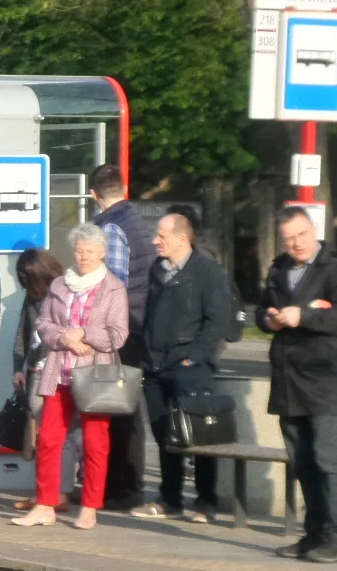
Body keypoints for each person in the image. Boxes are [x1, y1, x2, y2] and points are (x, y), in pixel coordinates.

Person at [263, 206, 337, 563]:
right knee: (302, 461)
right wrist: (270, 319)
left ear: (314, 231)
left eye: (302, 236)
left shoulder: (336, 268)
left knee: (329, 459)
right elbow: (264, 309)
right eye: (289, 238)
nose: (296, 244)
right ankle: (313, 533)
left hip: (324, 379)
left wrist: (304, 315)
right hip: (288, 379)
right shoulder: (279, 268)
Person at [14, 224, 129, 529]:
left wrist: (85, 334)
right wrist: (66, 338)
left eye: (89, 251)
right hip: (60, 372)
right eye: (79, 250)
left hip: (94, 375)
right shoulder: (60, 285)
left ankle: (90, 507)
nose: (83, 256)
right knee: (50, 438)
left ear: (102, 252)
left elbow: (118, 334)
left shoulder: (114, 288)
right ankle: (45, 505)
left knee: (94, 442)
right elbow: (43, 324)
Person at [132, 211, 236, 522]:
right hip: (155, 366)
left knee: (200, 434)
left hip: (190, 366)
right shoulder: (157, 271)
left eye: (161, 236)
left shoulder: (208, 273)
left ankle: (206, 501)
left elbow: (217, 320)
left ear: (181, 238)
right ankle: (169, 499)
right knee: (164, 434)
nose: (155, 241)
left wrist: (196, 356)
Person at [89, 164, 157, 505]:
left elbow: (112, 286)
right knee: (125, 405)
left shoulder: (111, 227)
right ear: (124, 187)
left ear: (93, 194)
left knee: (121, 407)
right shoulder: (136, 221)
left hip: (122, 330)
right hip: (138, 323)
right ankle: (123, 485)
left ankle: (124, 487)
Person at [7, 247, 65, 510]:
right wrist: (19, 366)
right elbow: (23, 331)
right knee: (39, 434)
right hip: (34, 370)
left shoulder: (60, 293)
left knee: (51, 435)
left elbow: (56, 335)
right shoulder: (32, 298)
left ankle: (55, 493)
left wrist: (29, 361)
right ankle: (45, 492)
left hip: (53, 369)